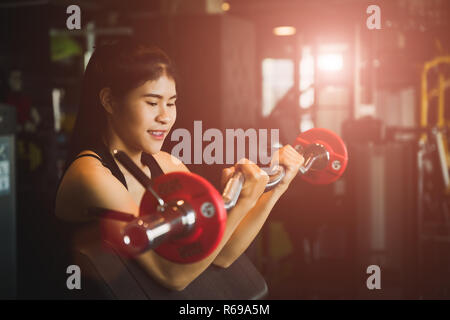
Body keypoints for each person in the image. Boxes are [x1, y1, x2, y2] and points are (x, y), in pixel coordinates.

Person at [54, 39, 304, 291]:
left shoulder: (167, 164)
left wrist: (276, 188)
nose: (165, 117)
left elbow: (221, 255)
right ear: (109, 101)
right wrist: (244, 200)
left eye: (171, 103)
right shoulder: (91, 174)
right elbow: (173, 276)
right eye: (152, 103)